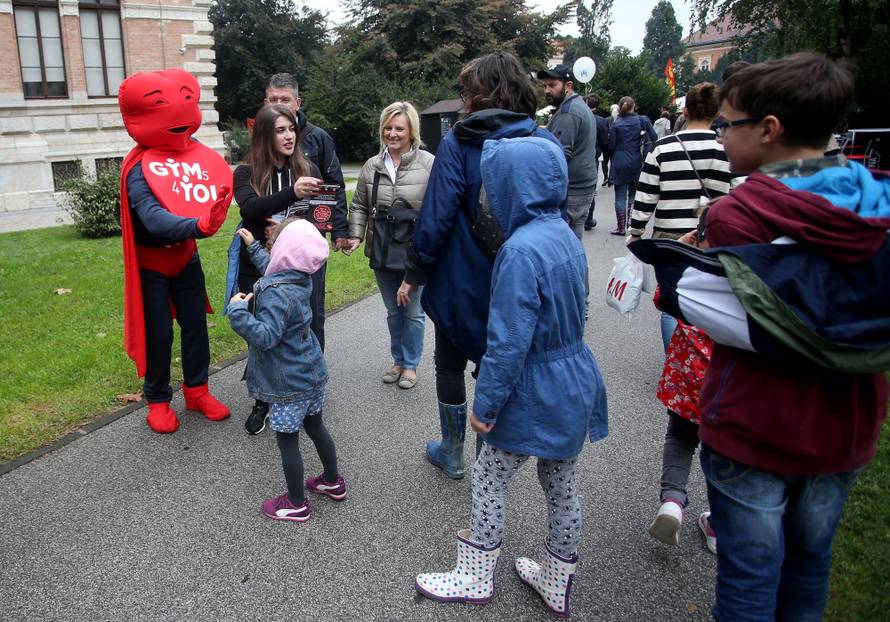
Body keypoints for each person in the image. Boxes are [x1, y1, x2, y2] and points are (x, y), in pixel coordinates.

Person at [697, 53, 889, 620]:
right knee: (810, 564)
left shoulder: (738, 216)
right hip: (846, 421)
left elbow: (719, 313)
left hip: (756, 423)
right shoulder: (875, 205)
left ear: (768, 129)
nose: (720, 136)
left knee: (748, 581)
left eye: (726, 123)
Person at [414, 136, 608, 616]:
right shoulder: (565, 233)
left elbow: (508, 342)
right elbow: (579, 307)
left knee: (488, 477)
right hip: (573, 378)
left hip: (532, 386)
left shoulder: (519, 251)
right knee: (560, 481)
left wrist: (486, 404)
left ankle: (475, 575)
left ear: (512, 189)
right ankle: (557, 580)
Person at [401, 52, 564, 480]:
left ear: (478, 94)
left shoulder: (459, 142)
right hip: (520, 279)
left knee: (449, 361)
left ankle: (453, 451)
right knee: (500, 361)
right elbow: (558, 218)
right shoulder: (543, 142)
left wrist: (416, 270)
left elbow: (436, 215)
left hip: (462, 276)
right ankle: (485, 461)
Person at [117, 68, 232, 433]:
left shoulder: (193, 156)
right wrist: (199, 226)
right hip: (151, 263)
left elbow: (204, 186)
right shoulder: (138, 168)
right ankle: (158, 399)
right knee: (159, 335)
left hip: (185, 257)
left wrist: (210, 211)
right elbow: (153, 218)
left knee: (196, 326)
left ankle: (197, 390)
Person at [227, 218, 346, 523]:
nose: (272, 246)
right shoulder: (301, 277)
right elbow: (275, 268)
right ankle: (332, 481)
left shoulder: (275, 292)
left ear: (284, 251)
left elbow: (267, 336)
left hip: (288, 383)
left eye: (275, 243)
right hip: (312, 373)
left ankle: (295, 503)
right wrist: (253, 246)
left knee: (287, 440)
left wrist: (238, 312)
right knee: (316, 427)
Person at [230, 104, 328, 435]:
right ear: (264, 135)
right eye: (280, 130)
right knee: (262, 334)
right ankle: (263, 400)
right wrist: (291, 193)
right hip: (256, 264)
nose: (289, 136)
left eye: (291, 129)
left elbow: (322, 210)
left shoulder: (306, 168)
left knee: (301, 326)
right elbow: (249, 208)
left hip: (294, 267)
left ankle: (304, 388)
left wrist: (299, 224)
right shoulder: (245, 173)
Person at [628, 82, 739, 350]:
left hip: (671, 237)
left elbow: (646, 195)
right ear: (716, 113)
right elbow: (739, 193)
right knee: (711, 300)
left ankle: (676, 360)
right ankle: (705, 360)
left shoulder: (663, 148)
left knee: (672, 302)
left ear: (685, 111)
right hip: (714, 236)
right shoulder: (728, 148)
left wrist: (636, 232)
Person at [342, 102, 434, 389]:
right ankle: (398, 360)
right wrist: (356, 235)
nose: (392, 133)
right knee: (394, 310)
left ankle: (411, 365)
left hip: (414, 251)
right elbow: (359, 205)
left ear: (411, 131)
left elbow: (437, 208)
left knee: (413, 311)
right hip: (382, 248)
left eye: (399, 128)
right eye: (388, 127)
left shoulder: (428, 163)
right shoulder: (372, 165)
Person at [537, 64, 598, 239]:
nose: (547, 90)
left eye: (552, 85)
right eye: (545, 86)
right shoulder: (578, 105)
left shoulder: (568, 112)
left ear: (568, 86)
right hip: (583, 187)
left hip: (572, 191)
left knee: (561, 244)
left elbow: (558, 157)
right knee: (574, 241)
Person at [608, 96, 657, 235]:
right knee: (633, 194)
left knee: (620, 196)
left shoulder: (616, 124)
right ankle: (631, 222)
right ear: (634, 106)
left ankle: (620, 227)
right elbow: (654, 138)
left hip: (619, 161)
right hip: (636, 159)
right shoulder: (642, 120)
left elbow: (611, 145)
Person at [583, 93, 612, 230]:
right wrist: (606, 156)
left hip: (578, 156)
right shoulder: (601, 121)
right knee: (591, 190)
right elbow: (605, 142)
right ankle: (588, 219)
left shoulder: (579, 117)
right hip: (592, 157)